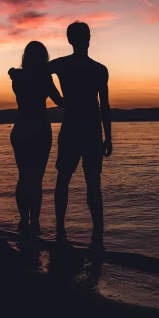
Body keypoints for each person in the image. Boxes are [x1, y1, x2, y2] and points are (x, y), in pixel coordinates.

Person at [48, 22, 112, 242]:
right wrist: (57, 98)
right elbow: (104, 106)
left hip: (78, 126)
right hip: (88, 128)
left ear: (69, 40)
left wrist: (57, 98)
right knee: (88, 182)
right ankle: (96, 232)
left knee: (68, 180)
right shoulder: (98, 69)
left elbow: (40, 71)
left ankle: (63, 230)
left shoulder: (65, 65)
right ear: (88, 38)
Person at [8, 41, 65, 236]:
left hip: (21, 128)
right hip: (39, 129)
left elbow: (17, 76)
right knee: (36, 179)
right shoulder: (44, 78)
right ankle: (35, 223)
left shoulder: (18, 77)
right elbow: (59, 101)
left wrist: (15, 71)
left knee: (24, 177)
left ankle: (25, 220)